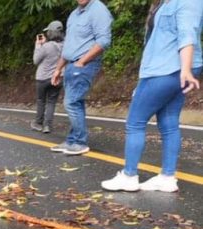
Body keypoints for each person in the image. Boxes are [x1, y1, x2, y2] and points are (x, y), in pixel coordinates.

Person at [102, 0, 203, 193]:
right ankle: (167, 177)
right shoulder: (167, 3)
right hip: (168, 68)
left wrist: (186, 69)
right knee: (169, 122)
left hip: (167, 69)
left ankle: (129, 176)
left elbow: (187, 32)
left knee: (135, 121)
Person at [50, 0, 113, 156]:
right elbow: (68, 46)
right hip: (70, 65)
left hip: (84, 64)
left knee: (71, 102)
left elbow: (104, 40)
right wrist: (58, 68)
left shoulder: (98, 10)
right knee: (75, 103)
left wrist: (82, 61)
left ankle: (79, 142)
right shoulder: (74, 14)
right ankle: (72, 140)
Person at [32, 21, 64, 133]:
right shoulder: (65, 45)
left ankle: (38, 123)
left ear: (51, 33)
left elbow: (35, 61)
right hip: (58, 78)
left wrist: (38, 45)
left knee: (41, 101)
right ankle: (47, 126)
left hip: (42, 78)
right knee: (51, 102)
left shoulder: (46, 47)